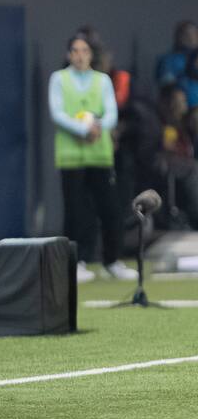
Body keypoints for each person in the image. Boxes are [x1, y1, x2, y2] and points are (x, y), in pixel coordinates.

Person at [49, 32, 136, 284]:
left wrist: (97, 126)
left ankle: (113, 261)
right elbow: (58, 113)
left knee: (110, 209)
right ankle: (76, 262)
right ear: (68, 54)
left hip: (99, 155)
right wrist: (83, 129)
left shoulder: (102, 80)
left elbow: (110, 113)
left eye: (84, 51)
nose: (79, 56)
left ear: (91, 54)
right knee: (75, 211)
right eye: (75, 51)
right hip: (71, 156)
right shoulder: (59, 79)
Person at [156, 21, 198, 88]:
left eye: (194, 34)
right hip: (180, 94)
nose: (191, 37)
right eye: (186, 34)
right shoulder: (168, 60)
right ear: (178, 37)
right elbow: (166, 83)